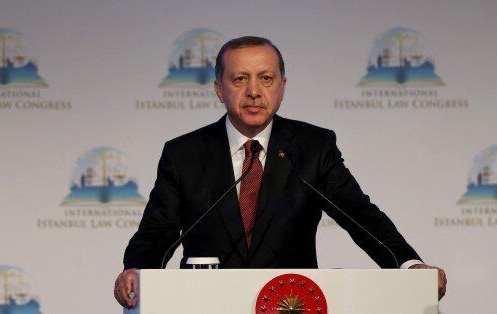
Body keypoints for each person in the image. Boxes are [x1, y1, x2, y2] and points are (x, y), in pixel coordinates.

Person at [114, 36, 447, 309]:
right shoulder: (184, 154)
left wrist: (408, 265)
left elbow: (360, 215)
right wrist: (138, 271)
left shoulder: (312, 147)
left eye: (266, 78)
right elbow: (158, 232)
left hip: (290, 305)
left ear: (283, 86)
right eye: (240, 79)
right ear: (219, 88)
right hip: (206, 305)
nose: (254, 91)